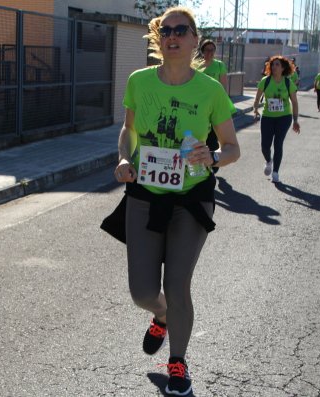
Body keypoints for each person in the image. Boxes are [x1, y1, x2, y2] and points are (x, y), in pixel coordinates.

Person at [105, 7, 240, 395]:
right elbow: (128, 132)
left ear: (195, 39)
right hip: (145, 195)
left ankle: (178, 361)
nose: (173, 36)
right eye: (166, 30)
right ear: (158, 38)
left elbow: (232, 148)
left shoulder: (210, 90)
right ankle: (160, 313)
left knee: (178, 284)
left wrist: (213, 156)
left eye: (182, 30)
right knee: (142, 292)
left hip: (191, 199)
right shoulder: (140, 81)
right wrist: (124, 158)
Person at [252, 55, 301, 183]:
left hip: (284, 117)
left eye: (277, 65)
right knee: (264, 146)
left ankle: (275, 172)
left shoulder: (288, 83)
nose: (274, 67)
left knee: (278, 144)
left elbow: (294, 103)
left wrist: (295, 120)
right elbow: (257, 98)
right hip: (268, 117)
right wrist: (255, 109)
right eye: (272, 65)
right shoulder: (265, 81)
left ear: (283, 67)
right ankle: (269, 161)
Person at [198, 39, 236, 173]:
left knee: (213, 137)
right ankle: (204, 162)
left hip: (214, 106)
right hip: (199, 106)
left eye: (212, 50)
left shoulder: (219, 66)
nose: (210, 53)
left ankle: (213, 166)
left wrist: (221, 105)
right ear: (202, 51)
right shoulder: (196, 66)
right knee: (203, 135)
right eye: (207, 50)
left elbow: (223, 88)